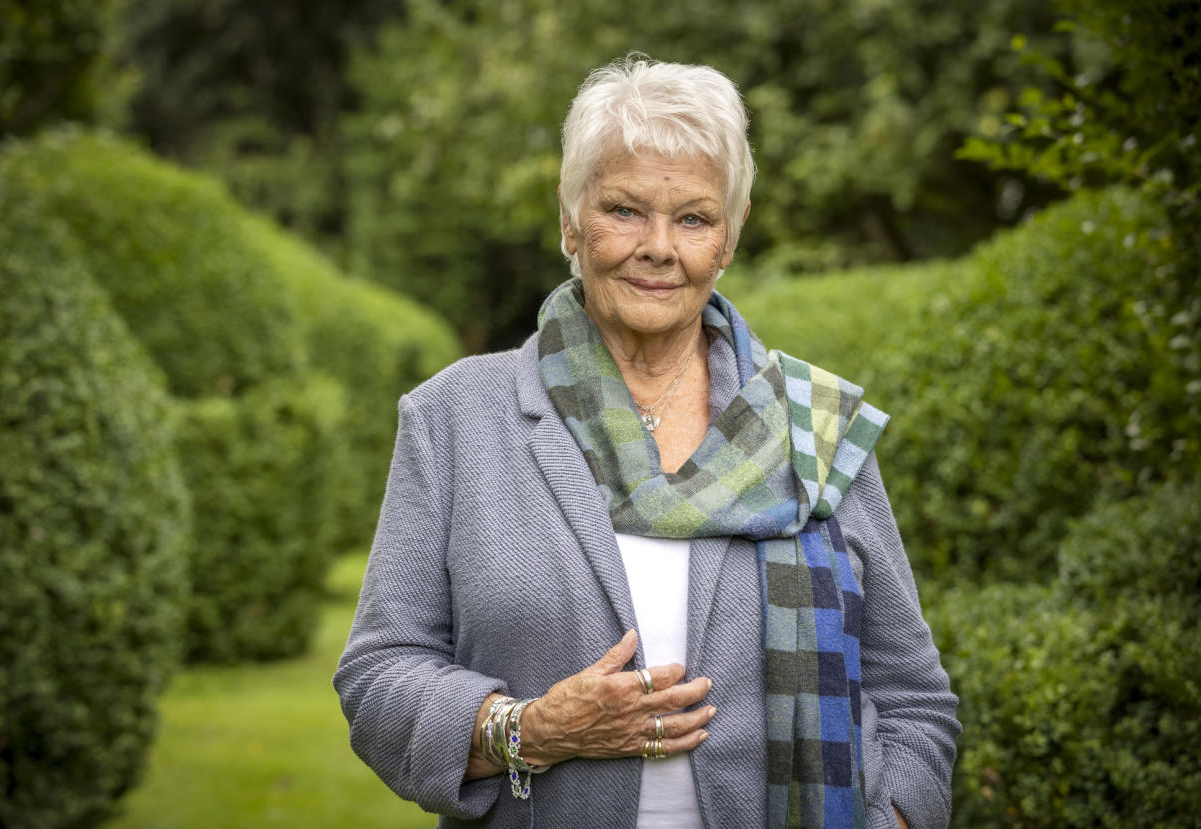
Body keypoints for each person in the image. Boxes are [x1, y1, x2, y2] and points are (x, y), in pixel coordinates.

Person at [334, 56, 960, 829]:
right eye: (625, 210)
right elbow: (378, 671)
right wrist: (525, 729)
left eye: (693, 218)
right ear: (570, 220)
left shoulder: (810, 427)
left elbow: (914, 699)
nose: (660, 247)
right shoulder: (456, 417)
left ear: (728, 237)